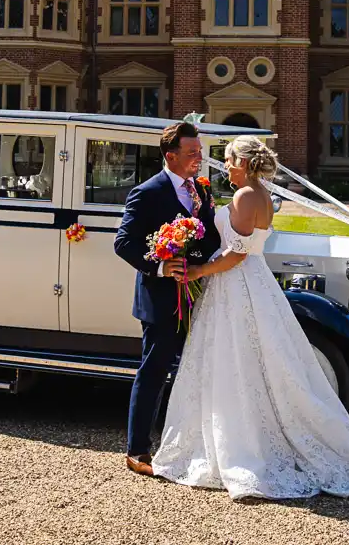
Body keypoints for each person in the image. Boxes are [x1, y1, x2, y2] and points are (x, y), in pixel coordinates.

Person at [149, 135, 349, 500]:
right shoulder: (260, 194)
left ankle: (243, 445)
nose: (225, 166)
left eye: (228, 160)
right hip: (251, 283)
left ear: (242, 163)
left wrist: (198, 272)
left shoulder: (246, 197)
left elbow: (237, 255)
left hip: (237, 282)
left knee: (235, 357)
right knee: (255, 357)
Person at [113, 121, 221, 475]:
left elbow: (208, 241)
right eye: (192, 153)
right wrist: (160, 267)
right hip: (160, 299)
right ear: (171, 156)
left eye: (200, 151)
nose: (199, 158)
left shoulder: (201, 190)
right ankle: (137, 450)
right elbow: (124, 243)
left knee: (196, 370)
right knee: (155, 370)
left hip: (199, 295)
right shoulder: (146, 192)